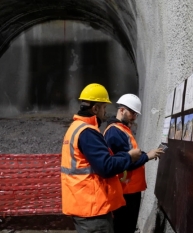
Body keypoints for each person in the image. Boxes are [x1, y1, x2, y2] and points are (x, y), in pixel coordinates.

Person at [61, 84, 142, 233]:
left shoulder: (75, 128)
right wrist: (129, 156)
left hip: (82, 203)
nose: (106, 112)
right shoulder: (87, 132)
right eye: (104, 107)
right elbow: (105, 167)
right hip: (92, 208)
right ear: (95, 109)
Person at [103, 93, 164, 233]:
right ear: (121, 110)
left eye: (136, 114)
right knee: (124, 228)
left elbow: (129, 154)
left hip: (129, 189)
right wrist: (147, 156)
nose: (134, 117)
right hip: (125, 191)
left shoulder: (121, 129)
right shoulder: (114, 132)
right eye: (132, 112)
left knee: (126, 227)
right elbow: (124, 161)